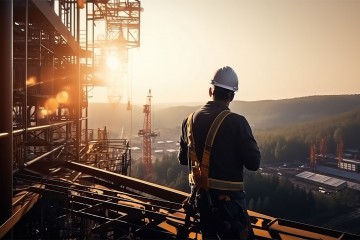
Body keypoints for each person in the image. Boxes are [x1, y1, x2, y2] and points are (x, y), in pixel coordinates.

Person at [177, 66, 261, 239]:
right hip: (230, 207)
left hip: (201, 203)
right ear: (232, 96)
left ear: (210, 90)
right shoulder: (237, 123)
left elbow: (183, 160)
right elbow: (254, 164)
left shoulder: (188, 121)